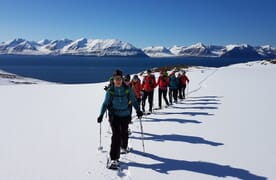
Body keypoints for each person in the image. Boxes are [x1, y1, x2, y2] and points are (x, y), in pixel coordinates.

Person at [97, 69, 143, 169]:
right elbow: (105, 103)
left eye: (119, 79)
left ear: (122, 79)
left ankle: (124, 146)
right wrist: (101, 115)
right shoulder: (110, 90)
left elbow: (134, 101)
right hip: (114, 115)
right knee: (116, 135)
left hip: (125, 115)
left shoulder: (127, 89)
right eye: (115, 79)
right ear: (113, 80)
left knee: (124, 132)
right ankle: (114, 158)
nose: (117, 81)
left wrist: (138, 110)